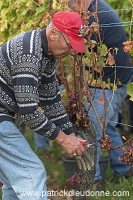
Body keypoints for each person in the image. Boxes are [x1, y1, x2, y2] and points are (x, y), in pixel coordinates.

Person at [0, 11, 87, 200]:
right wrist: (63, 139)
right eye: (70, 43)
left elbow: (51, 100)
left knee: (15, 182)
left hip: (3, 115)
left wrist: (70, 134)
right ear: (54, 33)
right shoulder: (29, 54)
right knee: (32, 173)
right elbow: (29, 110)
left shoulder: (46, 54)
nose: (72, 50)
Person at [68, 0, 133, 183]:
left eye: (73, 9)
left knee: (91, 131)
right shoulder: (96, 7)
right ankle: (124, 170)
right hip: (115, 81)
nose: (74, 13)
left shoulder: (96, 17)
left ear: (80, 3)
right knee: (107, 127)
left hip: (107, 85)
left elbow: (78, 49)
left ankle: (93, 180)